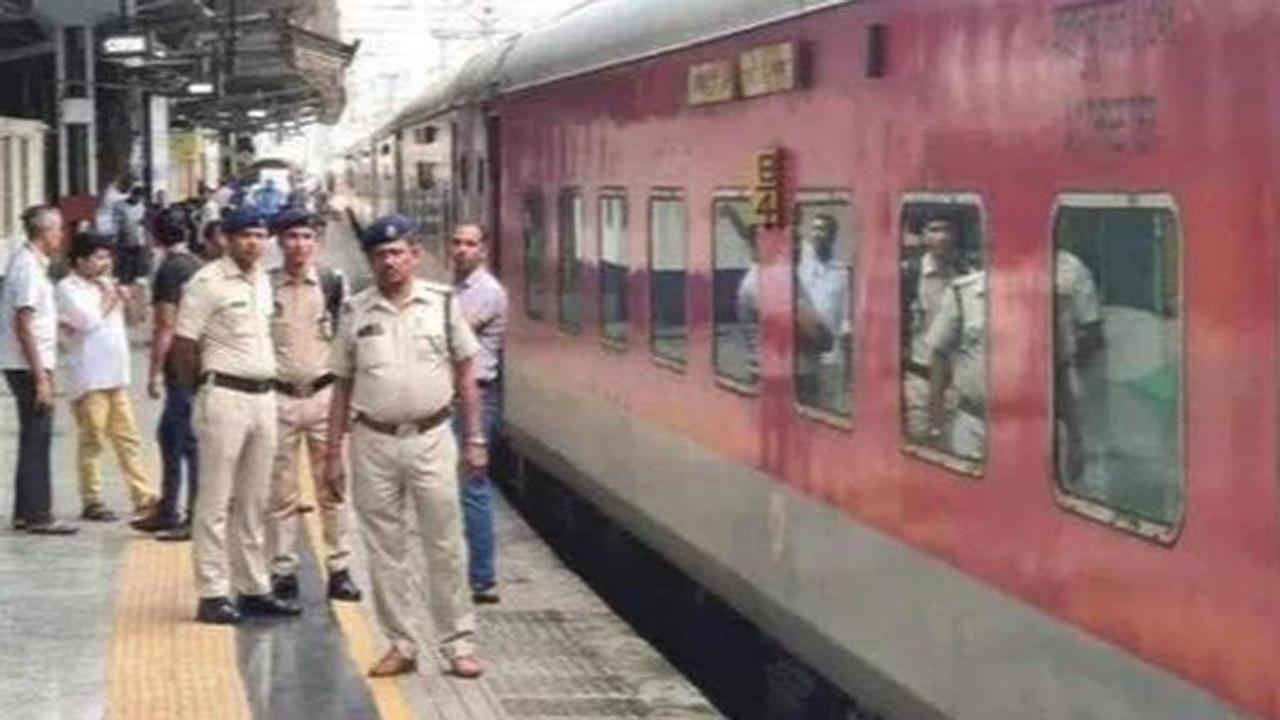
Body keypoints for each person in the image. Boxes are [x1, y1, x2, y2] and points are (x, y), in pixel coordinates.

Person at [325, 214, 485, 679]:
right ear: (370, 260)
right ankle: (401, 643)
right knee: (384, 547)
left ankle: (458, 643)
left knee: (444, 543)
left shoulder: (441, 304)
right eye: (380, 254)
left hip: (433, 437)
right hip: (372, 441)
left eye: (398, 253)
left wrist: (474, 439)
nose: (389, 261)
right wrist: (331, 454)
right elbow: (341, 386)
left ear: (414, 255)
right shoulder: (355, 311)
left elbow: (466, 376)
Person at [171, 206, 300, 624]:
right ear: (226, 238)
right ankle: (212, 592)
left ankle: (253, 587)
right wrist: (201, 390)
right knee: (215, 499)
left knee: (253, 500)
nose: (253, 242)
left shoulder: (263, 280)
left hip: (264, 400)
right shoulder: (206, 283)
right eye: (244, 235)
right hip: (224, 396)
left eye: (260, 235)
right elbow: (184, 345)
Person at [264, 207, 361, 603]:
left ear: (316, 241)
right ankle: (282, 569)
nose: (299, 245)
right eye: (291, 237)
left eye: (306, 237)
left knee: (333, 487)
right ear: (280, 242)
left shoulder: (332, 284)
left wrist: (350, 403)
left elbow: (348, 344)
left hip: (324, 398)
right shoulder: (265, 287)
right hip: (279, 398)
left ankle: (339, 568)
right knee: (280, 493)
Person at [56, 231, 161, 525]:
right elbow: (86, 321)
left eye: (107, 257)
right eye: (99, 257)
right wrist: (110, 297)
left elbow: (135, 320)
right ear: (81, 260)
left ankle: (142, 493)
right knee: (93, 440)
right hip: (89, 377)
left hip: (117, 374)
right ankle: (92, 498)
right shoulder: (68, 288)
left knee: (128, 438)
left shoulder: (107, 285)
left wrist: (128, 300)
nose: (105, 263)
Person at [1, 206, 77, 535]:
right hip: (26, 365)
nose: (61, 236)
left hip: (26, 362)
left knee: (35, 436)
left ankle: (26, 510)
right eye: (57, 230)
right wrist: (40, 376)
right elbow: (24, 324)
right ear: (44, 233)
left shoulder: (28, 264)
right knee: (37, 436)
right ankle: (37, 514)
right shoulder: (28, 269)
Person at [134, 207, 205, 538]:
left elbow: (166, 324)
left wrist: (154, 372)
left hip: (180, 366)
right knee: (171, 436)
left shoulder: (169, 271)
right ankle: (169, 508)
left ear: (156, 236)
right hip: (200, 362)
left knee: (182, 440)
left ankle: (189, 515)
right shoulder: (197, 266)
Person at [450, 223, 508, 604]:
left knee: (473, 488)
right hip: (455, 397)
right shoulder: (455, 289)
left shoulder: (486, 293)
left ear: (483, 250)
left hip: (475, 398)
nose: (461, 250)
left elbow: (450, 335)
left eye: (470, 244)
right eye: (456, 243)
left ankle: (483, 578)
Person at [902, 213, 964, 442]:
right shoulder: (909, 274)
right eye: (935, 230)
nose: (942, 237)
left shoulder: (965, 273)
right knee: (920, 441)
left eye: (947, 230)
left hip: (955, 380)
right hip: (920, 378)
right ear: (924, 237)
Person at [924, 270, 988, 461]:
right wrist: (936, 424)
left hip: (1022, 426)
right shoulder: (964, 292)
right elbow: (938, 353)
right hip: (973, 421)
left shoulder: (1039, 295)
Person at [1054, 249, 1103, 482]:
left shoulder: (1071, 268)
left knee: (1069, 465)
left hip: (1064, 369)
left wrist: (1064, 358)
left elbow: (1092, 330)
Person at [794, 214, 850, 406]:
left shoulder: (841, 273)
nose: (818, 234)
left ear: (833, 236)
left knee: (827, 408)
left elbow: (845, 320)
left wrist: (848, 366)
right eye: (814, 229)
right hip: (803, 353)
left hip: (831, 357)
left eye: (823, 229)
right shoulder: (800, 264)